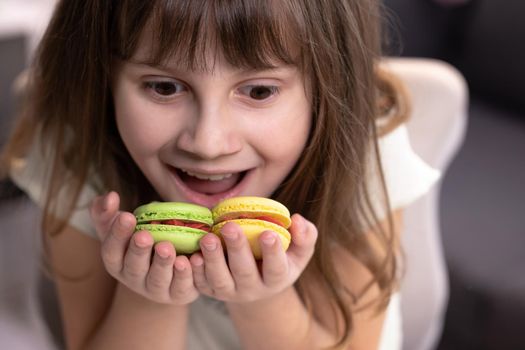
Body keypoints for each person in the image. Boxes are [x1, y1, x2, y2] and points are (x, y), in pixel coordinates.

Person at [1, 0, 439, 349]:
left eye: (259, 90)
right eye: (164, 86)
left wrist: (262, 299)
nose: (208, 143)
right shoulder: (78, 151)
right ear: (102, 77)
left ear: (331, 87)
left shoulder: (361, 155)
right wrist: (150, 296)